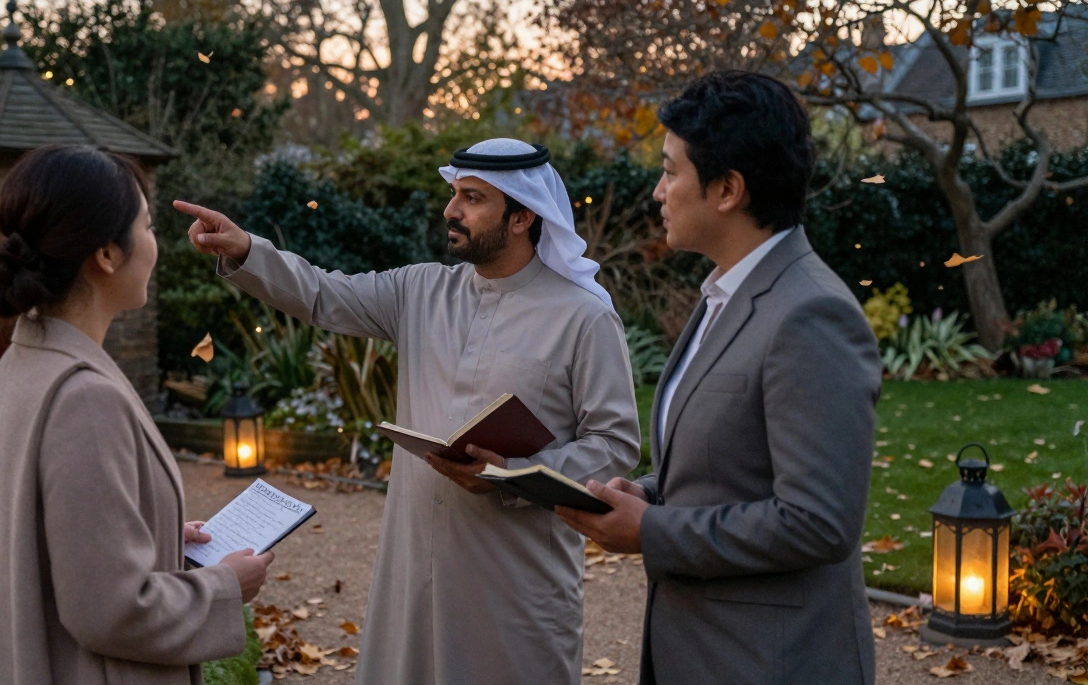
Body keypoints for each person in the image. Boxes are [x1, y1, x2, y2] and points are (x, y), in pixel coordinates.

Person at [173, 138, 640, 684]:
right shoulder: (419, 290)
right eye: (453, 194)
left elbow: (614, 446)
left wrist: (510, 476)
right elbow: (324, 295)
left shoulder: (583, 317)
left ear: (522, 217)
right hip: (411, 570)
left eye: (472, 198)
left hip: (516, 580)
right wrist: (247, 249)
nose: (451, 211)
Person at [557, 71, 882, 685]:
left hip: (770, 662)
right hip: (702, 649)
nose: (657, 191)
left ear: (728, 189)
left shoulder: (811, 314)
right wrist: (650, 494)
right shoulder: (722, 295)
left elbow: (818, 521)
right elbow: (733, 465)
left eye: (671, 171)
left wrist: (651, 529)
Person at [0, 144, 273, 685]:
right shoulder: (84, 396)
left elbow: (46, 536)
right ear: (107, 253)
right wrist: (225, 586)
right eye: (149, 226)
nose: (156, 246)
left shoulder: (21, 364)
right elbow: (109, 610)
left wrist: (150, 533)